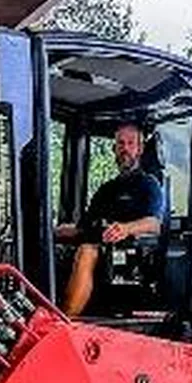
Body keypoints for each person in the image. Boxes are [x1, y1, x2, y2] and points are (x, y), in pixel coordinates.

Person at [56, 122, 165, 316]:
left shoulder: (149, 185)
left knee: (86, 251)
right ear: (114, 149)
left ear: (140, 149)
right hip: (99, 245)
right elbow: (85, 226)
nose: (125, 149)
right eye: (120, 144)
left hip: (128, 256)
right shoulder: (106, 189)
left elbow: (154, 224)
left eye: (130, 143)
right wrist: (52, 232)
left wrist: (126, 228)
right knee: (52, 249)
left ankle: (65, 321)